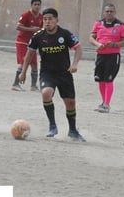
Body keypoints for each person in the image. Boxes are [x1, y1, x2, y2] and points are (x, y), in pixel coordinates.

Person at [19, 8, 85, 142]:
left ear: (56, 20)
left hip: (64, 74)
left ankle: (72, 130)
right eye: (45, 19)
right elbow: (29, 55)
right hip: (47, 73)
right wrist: (23, 72)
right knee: (46, 93)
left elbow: (78, 48)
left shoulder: (65, 34)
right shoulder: (38, 36)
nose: (47, 22)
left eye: (50, 19)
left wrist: (75, 64)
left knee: (70, 103)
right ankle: (52, 126)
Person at [89, 3, 124, 113]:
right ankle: (103, 102)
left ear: (115, 13)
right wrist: (97, 44)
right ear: (104, 12)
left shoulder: (121, 25)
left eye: (111, 11)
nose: (109, 13)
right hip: (101, 55)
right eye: (107, 11)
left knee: (108, 79)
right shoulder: (98, 23)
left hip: (113, 56)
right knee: (100, 80)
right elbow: (91, 38)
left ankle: (107, 104)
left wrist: (115, 45)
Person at [11, 0, 43, 91]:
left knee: (34, 64)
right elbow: (18, 27)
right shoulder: (26, 15)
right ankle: (15, 84)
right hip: (22, 42)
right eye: (35, 4)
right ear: (31, 5)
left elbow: (41, 30)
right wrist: (31, 29)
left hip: (32, 44)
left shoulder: (41, 17)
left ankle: (33, 86)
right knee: (23, 62)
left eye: (38, 4)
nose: (37, 6)